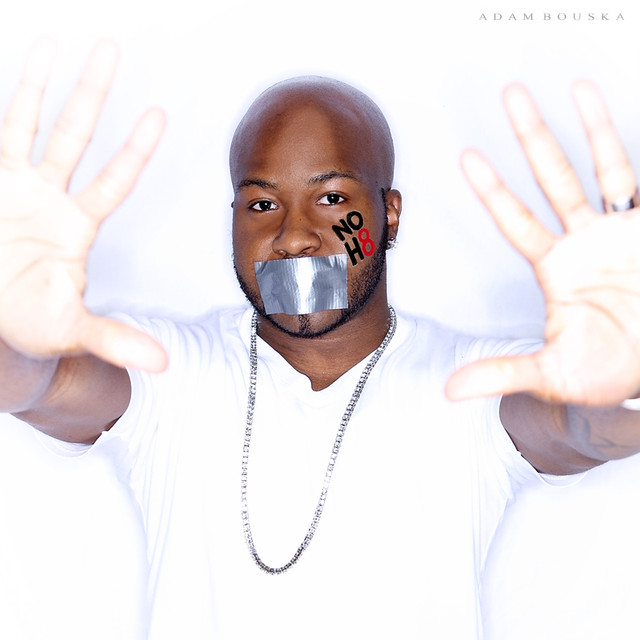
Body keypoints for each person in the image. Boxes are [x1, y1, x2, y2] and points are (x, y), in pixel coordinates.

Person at [1, 38, 640, 639]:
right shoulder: (173, 372)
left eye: (332, 199)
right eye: (261, 204)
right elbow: (33, 383)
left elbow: (589, 427)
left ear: (389, 214)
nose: (295, 237)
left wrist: (626, 379)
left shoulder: (467, 386)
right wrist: (14, 332)